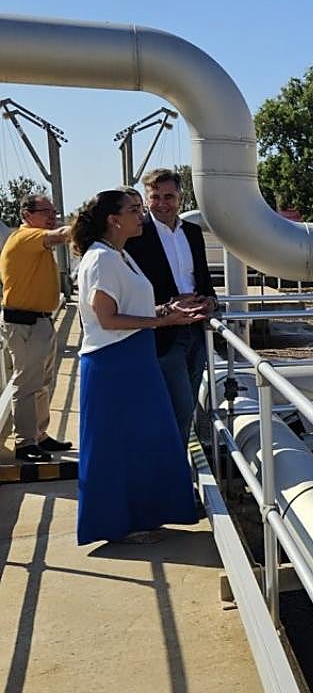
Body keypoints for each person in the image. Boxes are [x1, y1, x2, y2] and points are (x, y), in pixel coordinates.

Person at [72, 188, 206, 545]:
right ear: (113, 220)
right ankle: (119, 524)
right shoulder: (101, 259)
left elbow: (131, 308)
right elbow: (107, 319)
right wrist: (163, 323)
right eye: (134, 210)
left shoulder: (120, 255)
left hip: (133, 357)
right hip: (115, 362)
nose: (142, 216)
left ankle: (141, 517)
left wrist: (167, 310)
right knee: (119, 445)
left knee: (141, 440)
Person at [124, 168, 217, 445]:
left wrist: (211, 299)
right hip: (162, 334)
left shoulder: (192, 232)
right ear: (146, 198)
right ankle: (173, 469)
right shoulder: (136, 235)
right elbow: (128, 290)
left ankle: (176, 463)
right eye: (155, 197)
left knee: (187, 403)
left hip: (197, 331)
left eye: (169, 196)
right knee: (178, 405)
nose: (162, 203)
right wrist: (165, 307)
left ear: (181, 197)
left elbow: (202, 277)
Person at [0, 194, 72, 462]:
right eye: (46, 212)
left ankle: (39, 436)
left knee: (41, 382)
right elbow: (60, 235)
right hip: (25, 323)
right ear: (27, 215)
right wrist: (89, 223)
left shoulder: (33, 241)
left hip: (39, 321)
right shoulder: (26, 237)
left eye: (54, 212)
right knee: (27, 383)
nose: (52, 217)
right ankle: (25, 442)